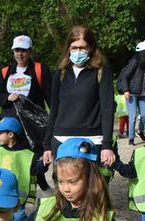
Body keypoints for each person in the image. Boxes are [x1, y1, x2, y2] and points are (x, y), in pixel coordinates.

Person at [42, 25, 116, 176]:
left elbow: (107, 109)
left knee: (91, 193)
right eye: (74, 47)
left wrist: (107, 145)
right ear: (68, 48)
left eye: (83, 48)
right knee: (65, 192)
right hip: (61, 140)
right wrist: (47, 145)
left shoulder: (102, 73)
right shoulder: (60, 74)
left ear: (91, 48)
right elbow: (54, 110)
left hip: (92, 140)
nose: (78, 52)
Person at [0, 116, 41, 221]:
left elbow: (35, 170)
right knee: (3, 217)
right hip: (1, 192)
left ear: (11, 134)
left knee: (18, 216)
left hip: (18, 196)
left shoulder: (26, 154)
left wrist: (44, 164)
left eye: (0, 133)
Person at [0, 35, 52, 118]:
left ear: (30, 51)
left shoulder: (40, 69)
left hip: (34, 119)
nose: (20, 54)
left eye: (23, 50)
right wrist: (7, 97)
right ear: (13, 52)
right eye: (17, 50)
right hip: (10, 118)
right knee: (5, 130)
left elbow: (51, 98)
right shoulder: (5, 71)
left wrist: (57, 119)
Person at [117, 39, 145, 145]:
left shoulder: (144, 64)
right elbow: (125, 76)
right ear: (142, 52)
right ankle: (131, 138)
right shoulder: (134, 62)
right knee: (132, 117)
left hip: (142, 93)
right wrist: (126, 90)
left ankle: (140, 131)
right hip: (132, 93)